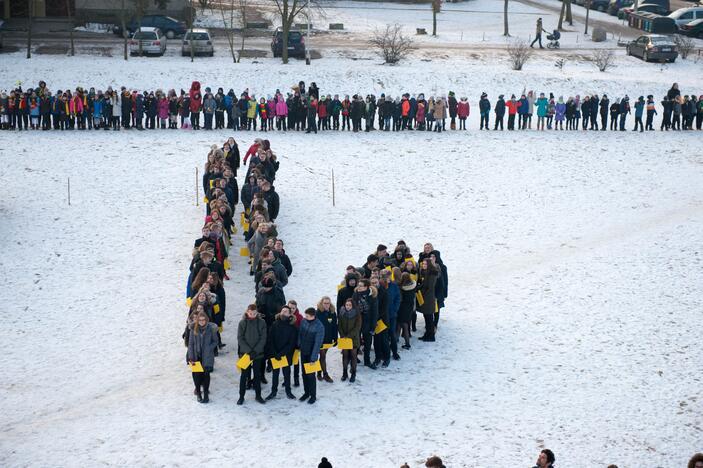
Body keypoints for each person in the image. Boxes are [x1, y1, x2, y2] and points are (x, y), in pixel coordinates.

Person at [237, 304, 267, 405]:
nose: (252, 315)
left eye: (254, 313)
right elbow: (240, 338)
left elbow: (263, 338)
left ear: (257, 313)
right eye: (250, 313)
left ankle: (258, 395)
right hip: (245, 354)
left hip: (257, 354)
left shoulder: (262, 322)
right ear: (247, 312)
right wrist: (249, 351)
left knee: (257, 375)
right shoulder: (242, 323)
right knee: (244, 375)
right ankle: (241, 396)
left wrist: (256, 351)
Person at [265, 305, 298, 400]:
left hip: (286, 355)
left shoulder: (292, 327)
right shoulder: (274, 324)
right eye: (282, 311)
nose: (283, 313)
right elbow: (270, 340)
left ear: (289, 314)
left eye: (286, 311)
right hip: (275, 354)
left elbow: (291, 344)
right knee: (275, 374)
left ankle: (288, 391)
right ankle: (273, 392)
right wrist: (275, 353)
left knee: (286, 374)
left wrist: (281, 353)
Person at [186, 311, 218, 403]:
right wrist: (191, 357)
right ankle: (199, 393)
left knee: (206, 375)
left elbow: (215, 341)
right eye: (200, 320)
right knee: (197, 375)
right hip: (196, 356)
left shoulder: (210, 329)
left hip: (207, 356)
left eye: (203, 320)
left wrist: (209, 348)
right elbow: (190, 344)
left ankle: (206, 394)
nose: (202, 322)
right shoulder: (193, 329)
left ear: (206, 320)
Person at [298, 308, 325, 404]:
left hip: (311, 354)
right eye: (305, 316)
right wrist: (299, 344)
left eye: (307, 316)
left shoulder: (319, 326)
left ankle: (313, 396)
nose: (305, 317)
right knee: (304, 374)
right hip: (303, 351)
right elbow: (300, 333)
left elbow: (318, 343)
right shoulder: (304, 321)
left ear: (313, 316)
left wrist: (313, 358)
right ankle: (306, 392)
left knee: (311, 376)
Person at [353, 278, 379, 369]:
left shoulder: (372, 296)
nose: (358, 287)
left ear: (366, 287)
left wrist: (372, 327)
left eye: (361, 286)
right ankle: (354, 358)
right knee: (356, 342)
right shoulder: (355, 295)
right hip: (357, 322)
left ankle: (367, 361)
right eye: (358, 285)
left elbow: (375, 313)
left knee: (368, 343)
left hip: (368, 322)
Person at [338, 297, 362, 382]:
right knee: (345, 356)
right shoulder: (341, 313)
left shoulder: (357, 314)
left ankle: (353, 374)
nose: (348, 306)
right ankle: (344, 373)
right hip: (344, 339)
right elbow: (339, 325)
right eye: (346, 305)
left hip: (353, 339)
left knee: (353, 356)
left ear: (353, 306)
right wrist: (342, 335)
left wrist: (349, 336)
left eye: (350, 305)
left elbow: (357, 327)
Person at [316, 296, 338, 382]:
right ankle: (325, 374)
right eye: (324, 303)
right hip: (320, 339)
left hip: (328, 339)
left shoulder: (332, 313)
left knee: (322, 356)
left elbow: (334, 326)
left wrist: (335, 338)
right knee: (322, 356)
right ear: (322, 303)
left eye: (328, 303)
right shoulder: (317, 313)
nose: (326, 305)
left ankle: (318, 372)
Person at [417, 259, 438, 342]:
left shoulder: (432, 274)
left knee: (429, 318)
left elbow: (429, 287)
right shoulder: (425, 272)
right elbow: (423, 284)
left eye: (425, 264)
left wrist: (421, 292)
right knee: (427, 317)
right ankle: (427, 334)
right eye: (423, 264)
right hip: (425, 298)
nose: (424, 265)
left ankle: (431, 336)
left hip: (428, 298)